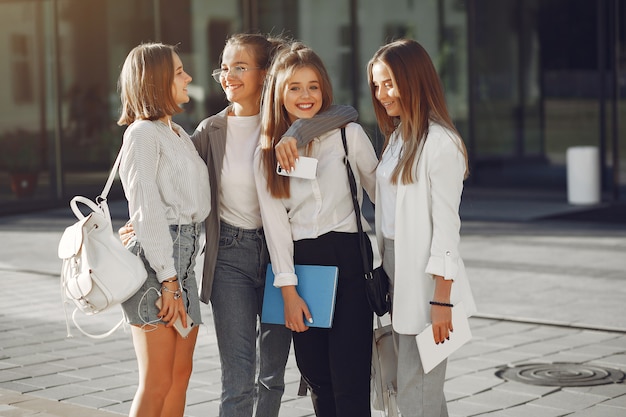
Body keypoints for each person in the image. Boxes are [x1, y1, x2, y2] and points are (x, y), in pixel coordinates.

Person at [184, 33, 358, 417]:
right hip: (230, 255)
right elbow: (175, 178)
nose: (229, 75)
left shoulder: (284, 120)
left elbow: (345, 112)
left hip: (284, 255)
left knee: (273, 375)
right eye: (224, 69)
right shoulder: (209, 131)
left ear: (266, 74)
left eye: (240, 67)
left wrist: (295, 131)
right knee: (239, 376)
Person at [255, 42, 378, 417]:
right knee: (318, 378)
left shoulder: (348, 135)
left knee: (352, 378)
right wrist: (289, 292)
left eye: (313, 86)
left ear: (324, 88)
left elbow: (383, 198)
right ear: (278, 92)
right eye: (294, 87)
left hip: (350, 257)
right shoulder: (266, 153)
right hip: (303, 264)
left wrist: (392, 259)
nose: (305, 95)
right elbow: (276, 228)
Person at [369, 39, 477, 416]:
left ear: (414, 80)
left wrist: (441, 299)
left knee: (417, 387)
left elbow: (448, 228)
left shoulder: (441, 143)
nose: (382, 94)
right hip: (397, 268)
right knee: (418, 383)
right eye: (377, 85)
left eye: (389, 83)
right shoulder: (398, 138)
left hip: (429, 278)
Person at [116, 43, 211, 417]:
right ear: (155, 81)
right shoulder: (142, 134)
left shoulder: (176, 133)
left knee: (179, 375)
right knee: (156, 380)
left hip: (183, 260)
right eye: (178, 72)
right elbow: (146, 206)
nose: (188, 77)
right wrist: (168, 279)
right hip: (159, 266)